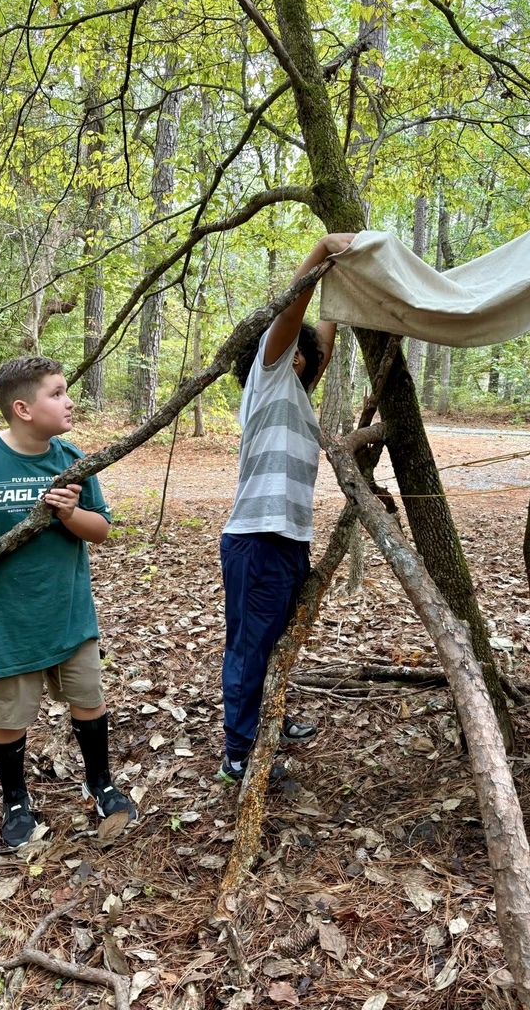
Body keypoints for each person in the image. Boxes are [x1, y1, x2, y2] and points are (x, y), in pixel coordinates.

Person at [0, 356, 136, 848]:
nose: (69, 400)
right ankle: (15, 800)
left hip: (67, 612)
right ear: (23, 408)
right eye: (56, 393)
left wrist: (72, 514)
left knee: (89, 699)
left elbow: (100, 530)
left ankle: (100, 783)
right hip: (0, 617)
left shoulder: (73, 460)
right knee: (7, 717)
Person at [218, 232, 356, 783]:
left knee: (274, 638)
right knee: (251, 644)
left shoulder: (297, 390)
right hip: (258, 537)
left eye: (306, 352)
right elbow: (293, 316)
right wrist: (322, 252)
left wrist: (343, 293)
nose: (304, 353)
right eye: (294, 346)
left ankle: (265, 718)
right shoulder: (267, 375)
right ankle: (240, 749)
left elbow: (324, 334)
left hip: (288, 538)